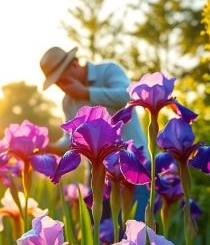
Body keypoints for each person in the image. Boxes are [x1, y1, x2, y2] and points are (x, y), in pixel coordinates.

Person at [39, 46, 149, 220]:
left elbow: (127, 96)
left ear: (74, 64)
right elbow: (70, 140)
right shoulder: (68, 102)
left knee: (136, 226)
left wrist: (86, 93)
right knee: (99, 228)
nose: (60, 86)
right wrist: (49, 147)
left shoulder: (108, 71)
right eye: (56, 83)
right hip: (99, 171)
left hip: (133, 161)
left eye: (61, 79)